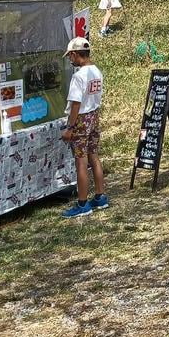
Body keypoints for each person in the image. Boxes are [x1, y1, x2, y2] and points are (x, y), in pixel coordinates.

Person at [60, 37, 107, 218]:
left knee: (81, 160)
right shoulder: (96, 71)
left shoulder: (78, 76)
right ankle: (100, 196)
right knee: (94, 155)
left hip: (81, 119)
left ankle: (82, 203)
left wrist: (70, 128)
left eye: (70, 56)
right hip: (94, 115)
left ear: (74, 54)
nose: (70, 60)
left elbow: (76, 105)